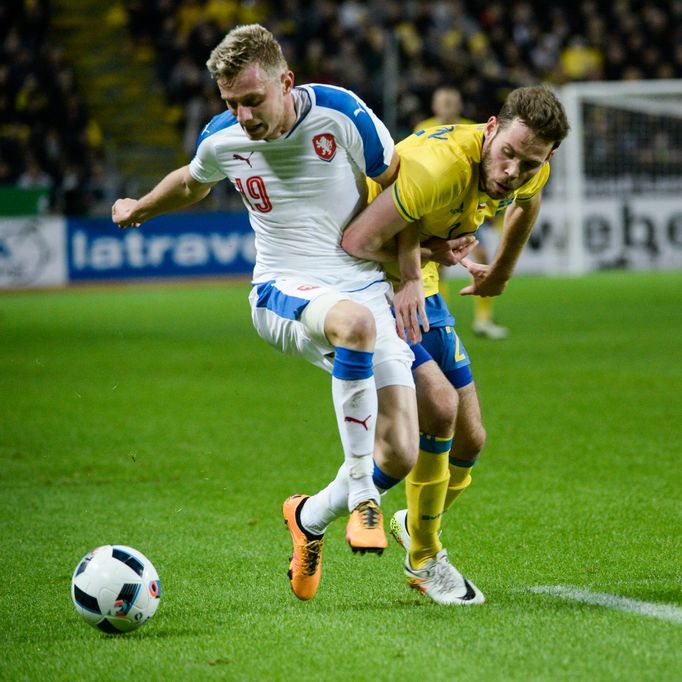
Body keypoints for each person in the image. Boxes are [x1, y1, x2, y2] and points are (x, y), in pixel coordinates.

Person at [111, 24, 469, 603]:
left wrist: (410, 273)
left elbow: (401, 196)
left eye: (253, 100)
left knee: (401, 450)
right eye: (231, 103)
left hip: (361, 285)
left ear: (287, 82)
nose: (244, 115)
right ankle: (363, 499)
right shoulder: (223, 138)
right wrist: (140, 208)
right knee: (354, 327)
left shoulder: (342, 115)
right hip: (282, 290)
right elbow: (192, 181)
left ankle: (307, 518)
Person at [342, 85, 570, 604]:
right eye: (508, 153)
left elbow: (522, 207)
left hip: (424, 284)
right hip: (371, 285)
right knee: (440, 407)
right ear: (491, 127)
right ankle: (422, 556)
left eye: (530, 163)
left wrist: (501, 275)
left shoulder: (532, 165)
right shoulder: (436, 164)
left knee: (471, 439)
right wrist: (409, 270)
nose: (513, 171)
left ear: (548, 157)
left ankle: (378, 516)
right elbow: (355, 244)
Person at [415, 86, 509, 340]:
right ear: (434, 106)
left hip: (469, 207)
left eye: (452, 102)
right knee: (435, 263)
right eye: (443, 102)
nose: (447, 107)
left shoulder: (473, 128)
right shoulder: (423, 127)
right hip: (436, 207)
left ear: (459, 105)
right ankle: (438, 320)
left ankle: (483, 320)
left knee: (480, 255)